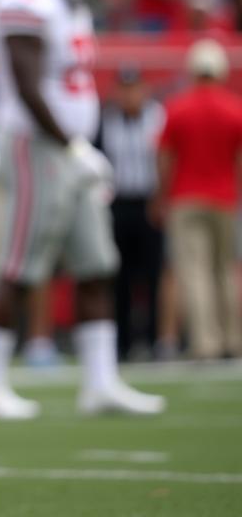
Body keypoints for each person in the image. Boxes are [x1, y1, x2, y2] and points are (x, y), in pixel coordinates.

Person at [0, 0, 166, 418]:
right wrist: (72, 145)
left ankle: (100, 383)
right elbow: (28, 85)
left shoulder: (68, 7)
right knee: (21, 265)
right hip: (36, 146)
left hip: (67, 151)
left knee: (97, 265)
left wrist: (79, 148)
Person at [156, 39, 242, 359]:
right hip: (226, 198)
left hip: (186, 198)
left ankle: (206, 342)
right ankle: (233, 339)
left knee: (194, 271)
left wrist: (160, 197)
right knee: (227, 270)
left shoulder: (178, 107)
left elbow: (165, 159)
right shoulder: (235, 108)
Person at [98, 64, 166, 358]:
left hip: (149, 203)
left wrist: (162, 198)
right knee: (120, 277)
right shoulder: (106, 120)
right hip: (118, 204)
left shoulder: (157, 117)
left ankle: (152, 339)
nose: (128, 95)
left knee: (152, 275)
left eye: (133, 88)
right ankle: (122, 342)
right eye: (123, 89)